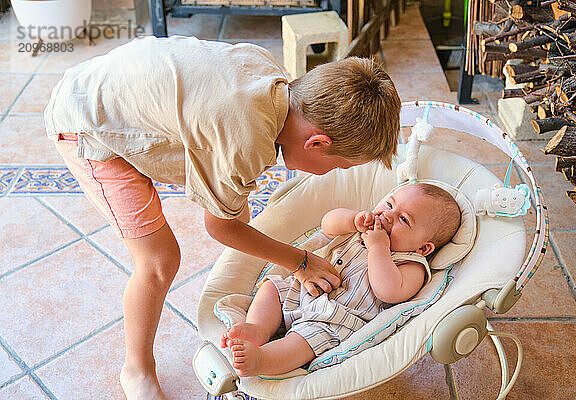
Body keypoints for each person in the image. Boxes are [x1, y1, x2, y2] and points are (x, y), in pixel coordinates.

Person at [44, 35, 401, 399]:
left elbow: (222, 163)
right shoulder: (246, 138)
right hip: (88, 126)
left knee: (233, 203)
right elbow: (219, 226)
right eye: (338, 165)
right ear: (317, 143)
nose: (330, 173)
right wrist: (300, 261)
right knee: (159, 260)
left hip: (108, 84)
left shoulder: (272, 79)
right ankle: (136, 370)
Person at [220, 183, 461, 377]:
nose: (387, 215)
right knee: (272, 287)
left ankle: (263, 360)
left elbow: (389, 291)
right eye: (389, 204)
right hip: (305, 289)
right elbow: (327, 224)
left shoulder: (411, 264)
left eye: (403, 220)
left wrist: (378, 248)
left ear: (424, 248)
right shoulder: (363, 227)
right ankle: (259, 328)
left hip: (335, 318)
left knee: (303, 341)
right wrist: (353, 219)